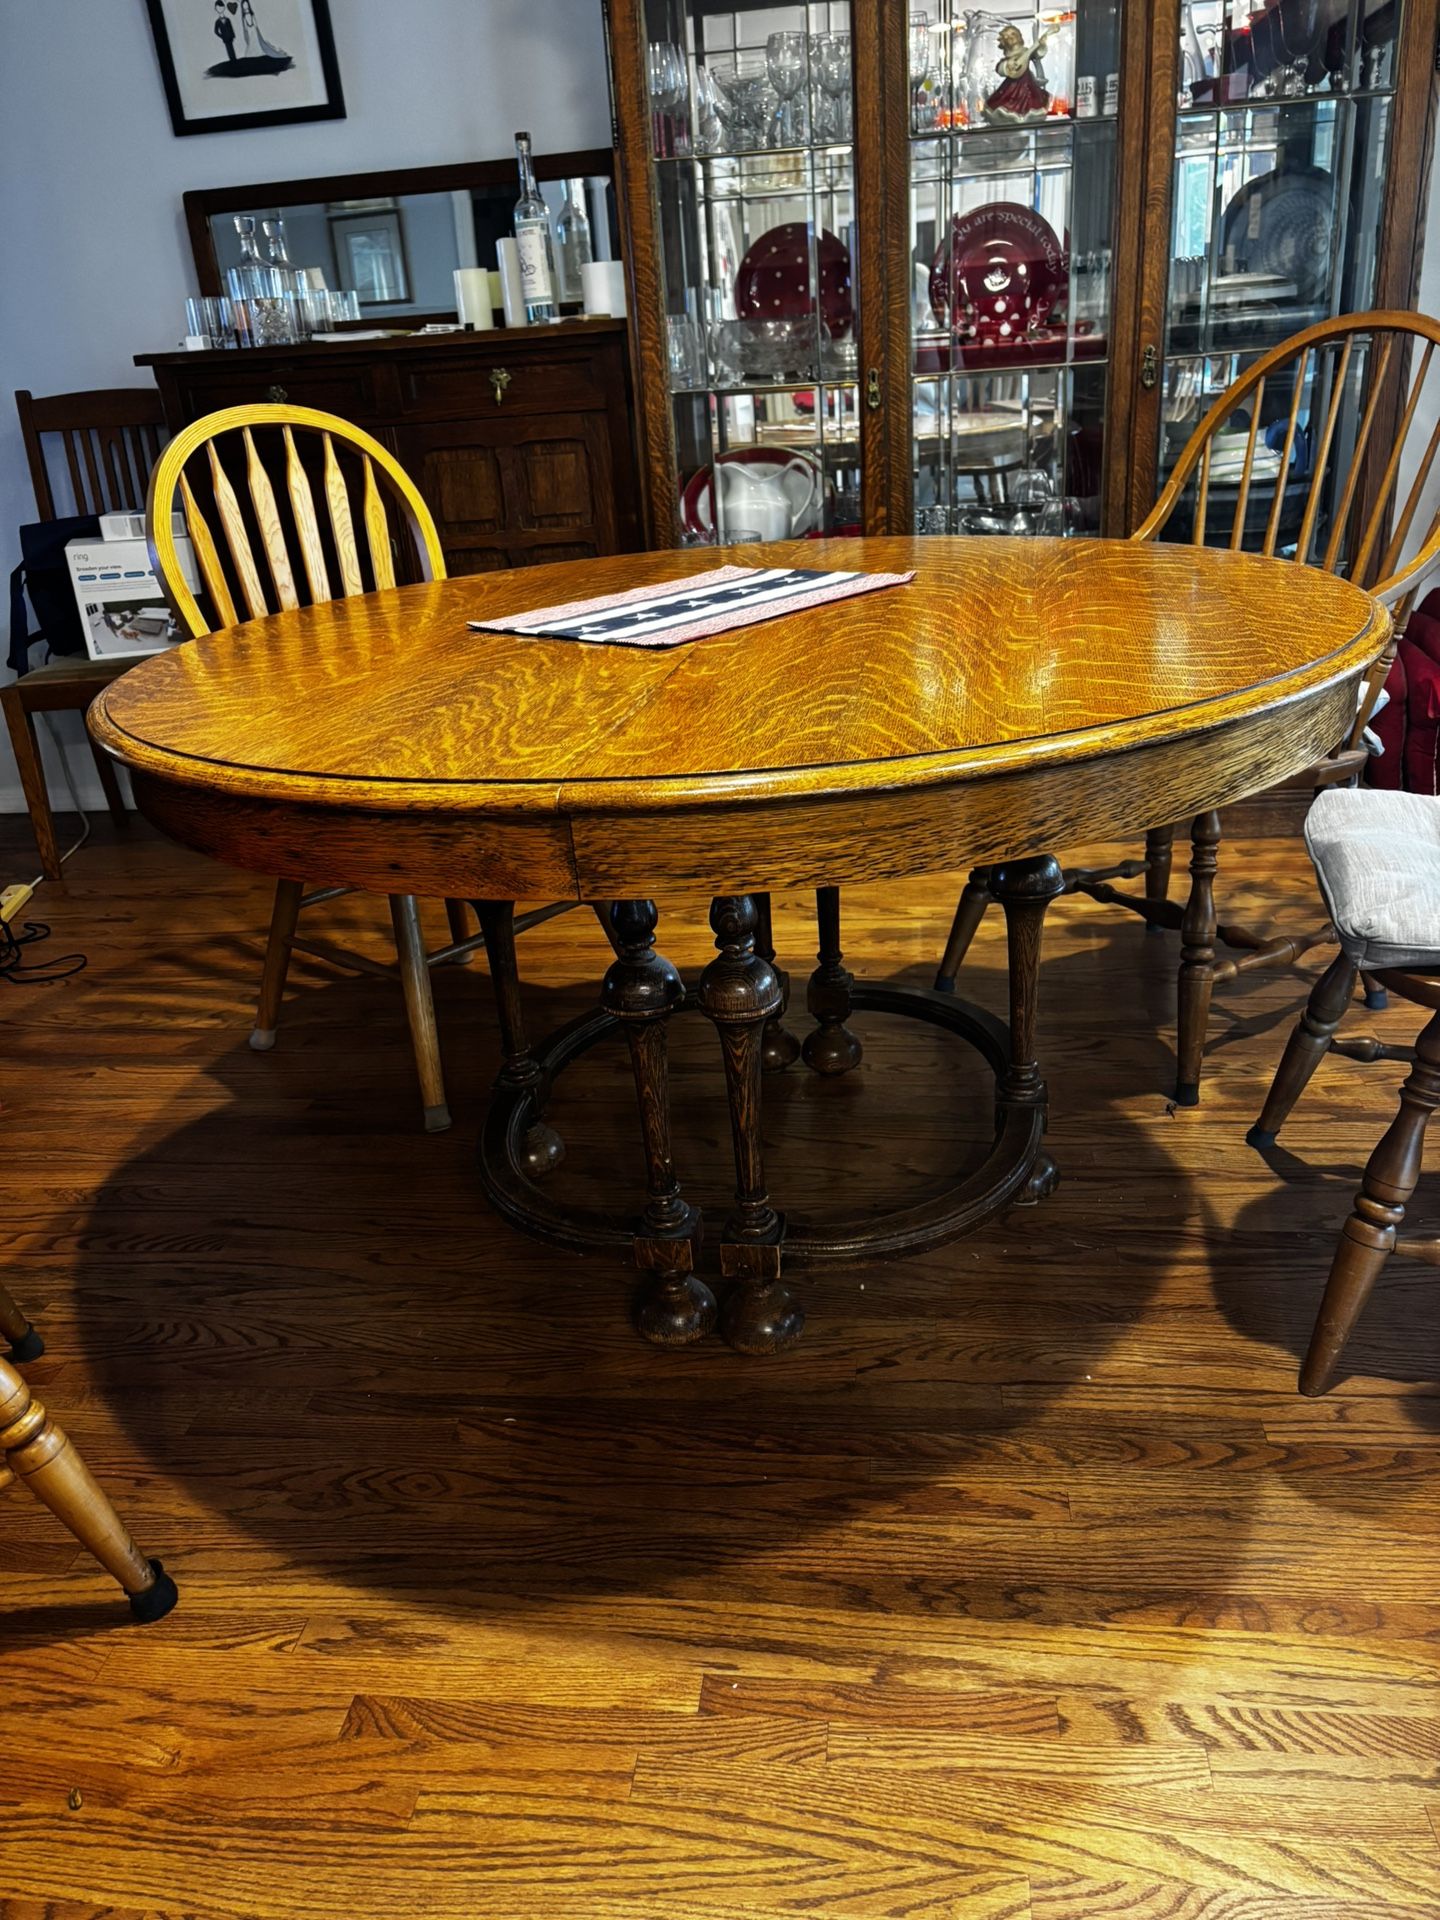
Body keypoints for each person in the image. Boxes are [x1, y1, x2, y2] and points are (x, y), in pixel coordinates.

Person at [983, 23, 1056, 122]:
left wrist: (1042, 45)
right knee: (1003, 100)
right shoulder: (1008, 57)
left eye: (1013, 34)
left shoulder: (1026, 51)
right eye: (1006, 36)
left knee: (1033, 100)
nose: (1011, 37)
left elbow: (1037, 54)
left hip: (1027, 83)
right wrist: (1007, 66)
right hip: (1010, 86)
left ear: (1019, 36)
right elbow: (1000, 68)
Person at [213, 0, 238, 65]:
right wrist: (222, 36)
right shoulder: (217, 22)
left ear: (224, 8)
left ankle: (234, 60)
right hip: (225, 38)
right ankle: (232, 61)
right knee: (228, 49)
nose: (220, 9)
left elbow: (231, 28)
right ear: (216, 9)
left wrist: (233, 35)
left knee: (232, 49)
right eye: (218, 8)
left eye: (221, 7)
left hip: (230, 37)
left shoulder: (228, 19)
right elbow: (216, 31)